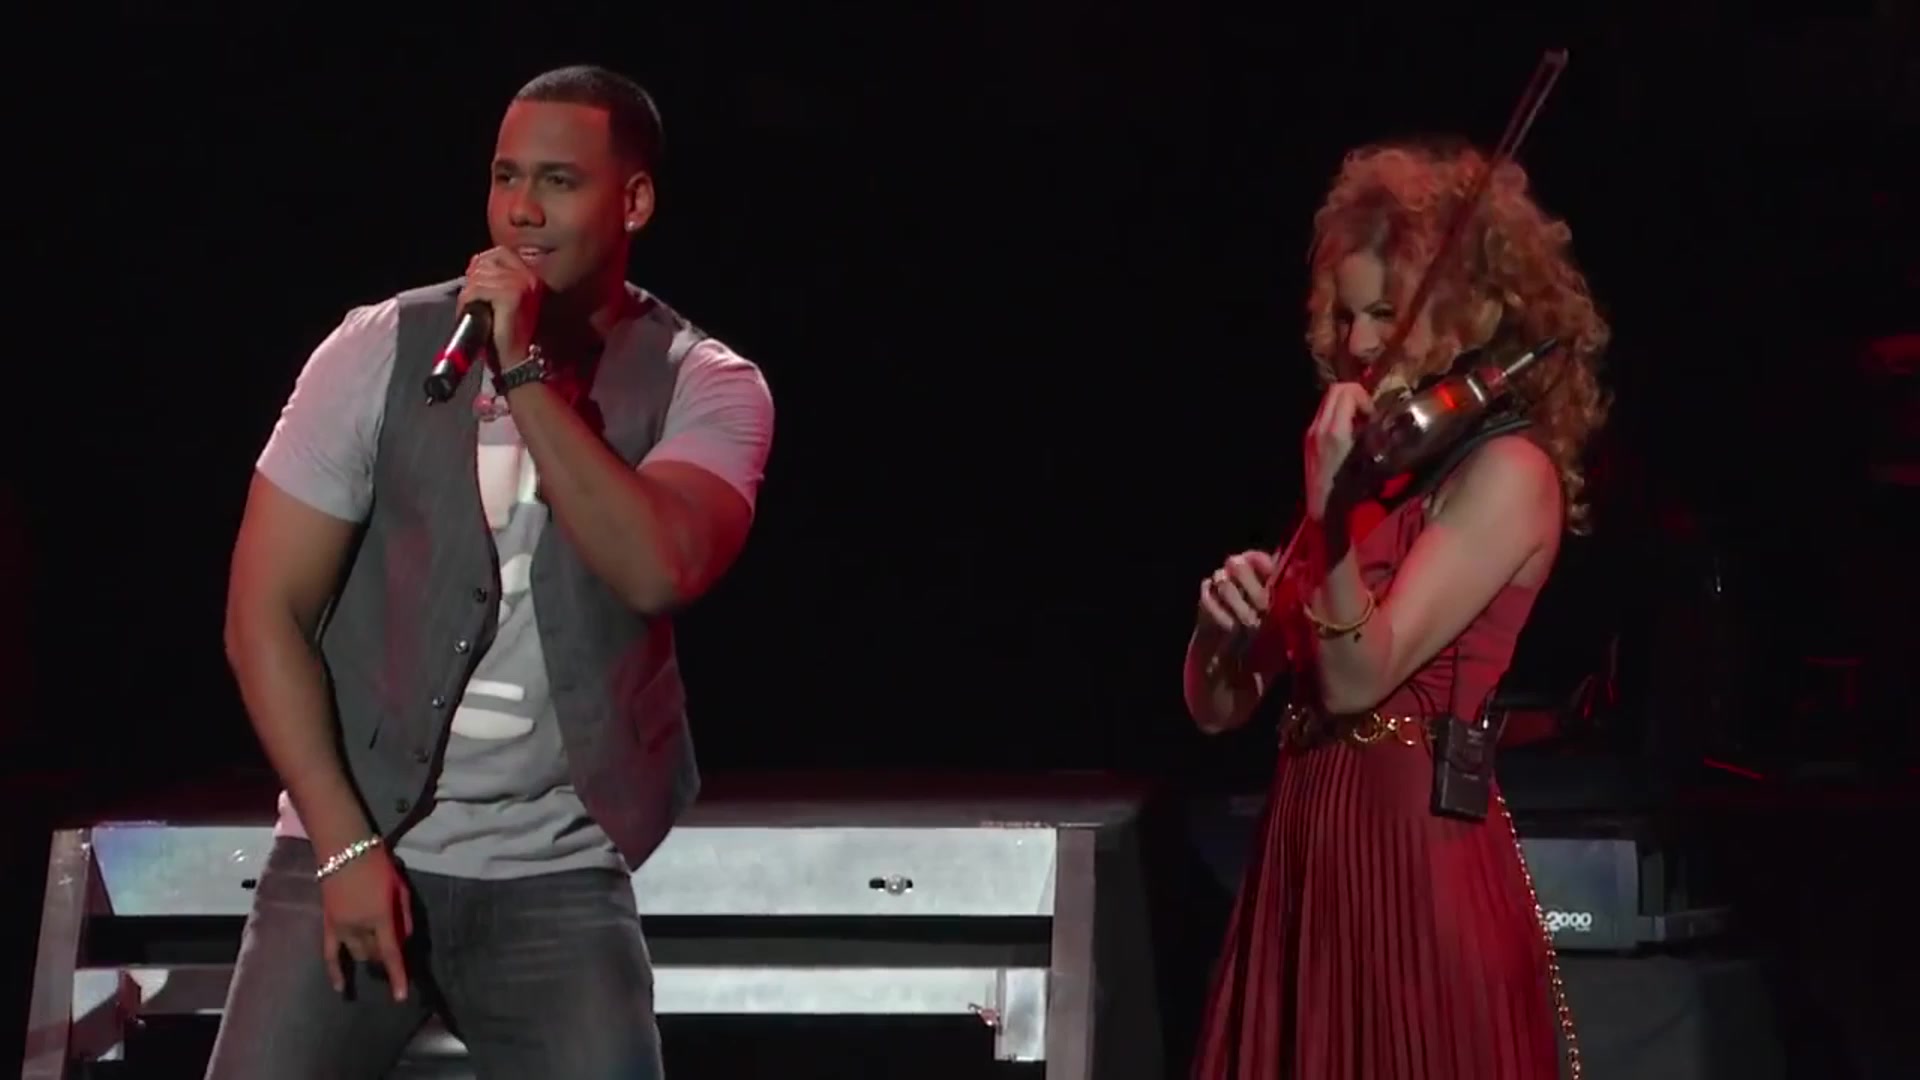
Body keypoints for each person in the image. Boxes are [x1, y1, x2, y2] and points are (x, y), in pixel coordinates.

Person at [209, 64, 774, 1079]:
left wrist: (522, 374)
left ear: (634, 201)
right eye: (506, 177)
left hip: (555, 876)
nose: (522, 211)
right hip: (354, 844)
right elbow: (265, 613)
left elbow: (658, 569)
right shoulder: (380, 348)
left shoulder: (705, 382)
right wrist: (342, 845)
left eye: (559, 181)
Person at [1182, 140, 1610, 1079]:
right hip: (1309, 848)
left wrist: (1329, 515)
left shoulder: (1508, 473)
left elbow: (1357, 676)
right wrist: (1221, 626)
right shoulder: (1371, 477)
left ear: (1467, 313)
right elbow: (1220, 707)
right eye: (1345, 313)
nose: (1360, 342)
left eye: (1387, 312)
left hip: (1413, 858)